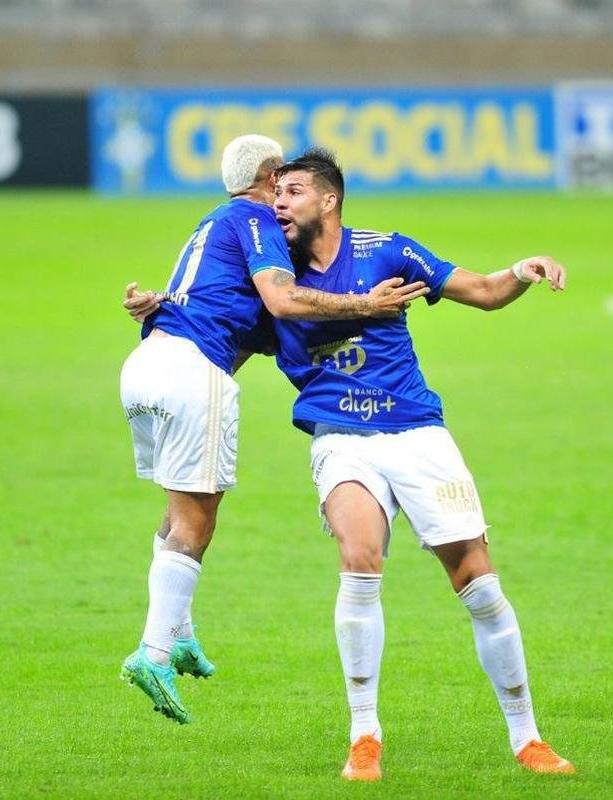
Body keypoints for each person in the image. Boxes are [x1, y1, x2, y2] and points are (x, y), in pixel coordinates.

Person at [126, 147, 575, 779]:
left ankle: (527, 737)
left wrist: (522, 271)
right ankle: (365, 736)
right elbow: (217, 322)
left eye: (294, 191)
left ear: (328, 200)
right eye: (275, 192)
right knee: (359, 560)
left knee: (477, 579)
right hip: (340, 438)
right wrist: (160, 311)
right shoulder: (273, 288)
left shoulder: (386, 249)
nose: (279, 201)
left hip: (417, 432)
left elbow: (478, 289)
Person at [119, 134, 429, 725]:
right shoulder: (253, 216)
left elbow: (257, 322)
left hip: (146, 366)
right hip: (191, 371)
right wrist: (366, 304)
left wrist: (151, 304)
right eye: (281, 183)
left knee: (180, 506)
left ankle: (177, 632)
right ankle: (153, 652)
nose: (285, 198)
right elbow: (283, 302)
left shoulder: (212, 226)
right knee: (197, 519)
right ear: (265, 180)